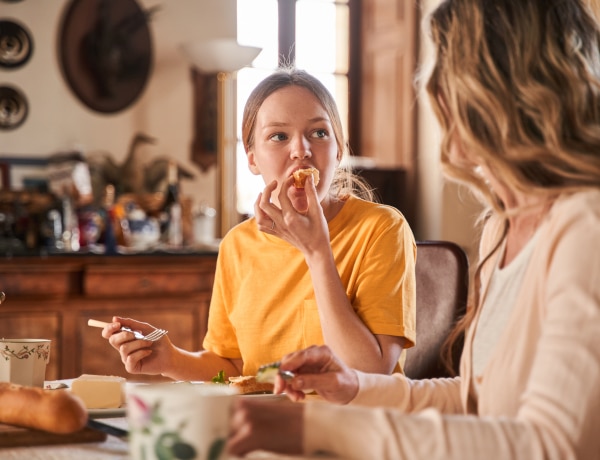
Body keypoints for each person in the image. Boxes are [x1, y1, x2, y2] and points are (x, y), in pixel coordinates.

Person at [226, 0, 600, 458]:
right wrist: (353, 388)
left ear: (504, 89)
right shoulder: (502, 226)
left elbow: (552, 445)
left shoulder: (587, 227)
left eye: (448, 69)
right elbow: (475, 400)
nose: (433, 89)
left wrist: (325, 429)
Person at [100, 68, 417, 382]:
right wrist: (170, 359)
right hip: (266, 425)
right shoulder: (237, 245)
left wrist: (317, 251)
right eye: (279, 136)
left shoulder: (382, 229)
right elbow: (235, 369)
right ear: (251, 158)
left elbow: (370, 373)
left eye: (319, 133)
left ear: (339, 149)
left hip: (351, 427)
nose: (301, 151)